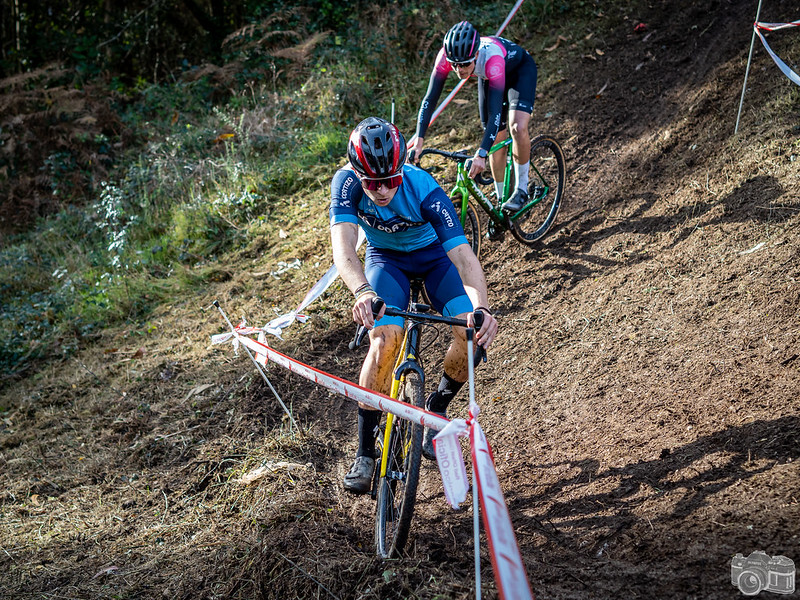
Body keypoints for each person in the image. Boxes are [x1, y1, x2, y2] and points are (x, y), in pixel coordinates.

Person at [330, 117, 499, 494]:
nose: (385, 189)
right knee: (385, 339)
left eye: (392, 178)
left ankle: (436, 406)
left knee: (468, 333)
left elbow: (463, 258)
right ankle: (365, 453)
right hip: (385, 261)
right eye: (373, 183)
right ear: (357, 174)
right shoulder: (345, 185)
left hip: (434, 260)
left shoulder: (424, 188)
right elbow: (343, 250)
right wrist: (361, 292)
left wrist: (481, 308)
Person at [408, 20, 538, 214]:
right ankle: (503, 202)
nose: (459, 70)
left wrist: (481, 154)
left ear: (476, 54)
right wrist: (418, 141)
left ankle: (521, 190)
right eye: (454, 65)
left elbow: (495, 113)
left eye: (464, 64)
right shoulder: (445, 56)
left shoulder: (491, 59)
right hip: (488, 77)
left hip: (519, 72)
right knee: (495, 139)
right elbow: (429, 100)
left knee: (516, 127)